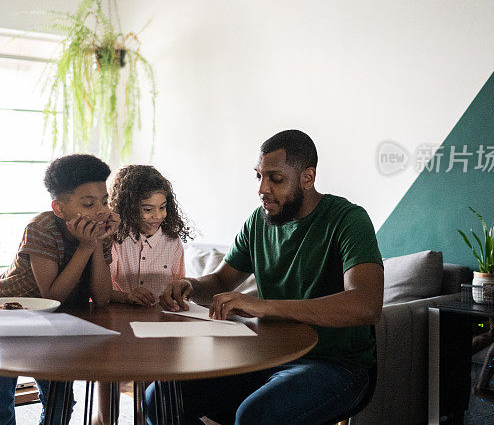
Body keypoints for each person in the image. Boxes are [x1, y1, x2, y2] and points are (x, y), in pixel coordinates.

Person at [151, 129, 384, 425]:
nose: (262, 188)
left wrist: (266, 306)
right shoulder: (258, 221)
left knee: (256, 416)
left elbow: (366, 305)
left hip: (337, 365)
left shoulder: (348, 220)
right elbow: (222, 281)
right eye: (258, 176)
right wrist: (191, 285)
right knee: (160, 398)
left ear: (307, 178)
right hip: (268, 357)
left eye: (275, 179)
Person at [0, 154, 119, 425]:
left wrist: (97, 244)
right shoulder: (42, 228)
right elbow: (50, 297)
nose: (101, 210)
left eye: (104, 201)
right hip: (5, 314)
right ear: (59, 208)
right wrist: (86, 247)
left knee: (61, 402)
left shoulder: (98, 232)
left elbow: (101, 298)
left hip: (50, 323)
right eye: (88, 203)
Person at [94, 165, 192, 425]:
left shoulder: (172, 243)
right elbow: (100, 291)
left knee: (148, 404)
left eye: (162, 207)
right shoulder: (114, 239)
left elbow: (179, 285)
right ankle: (105, 419)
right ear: (128, 207)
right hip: (114, 329)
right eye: (148, 209)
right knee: (108, 401)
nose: (156, 215)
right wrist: (126, 296)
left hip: (156, 333)